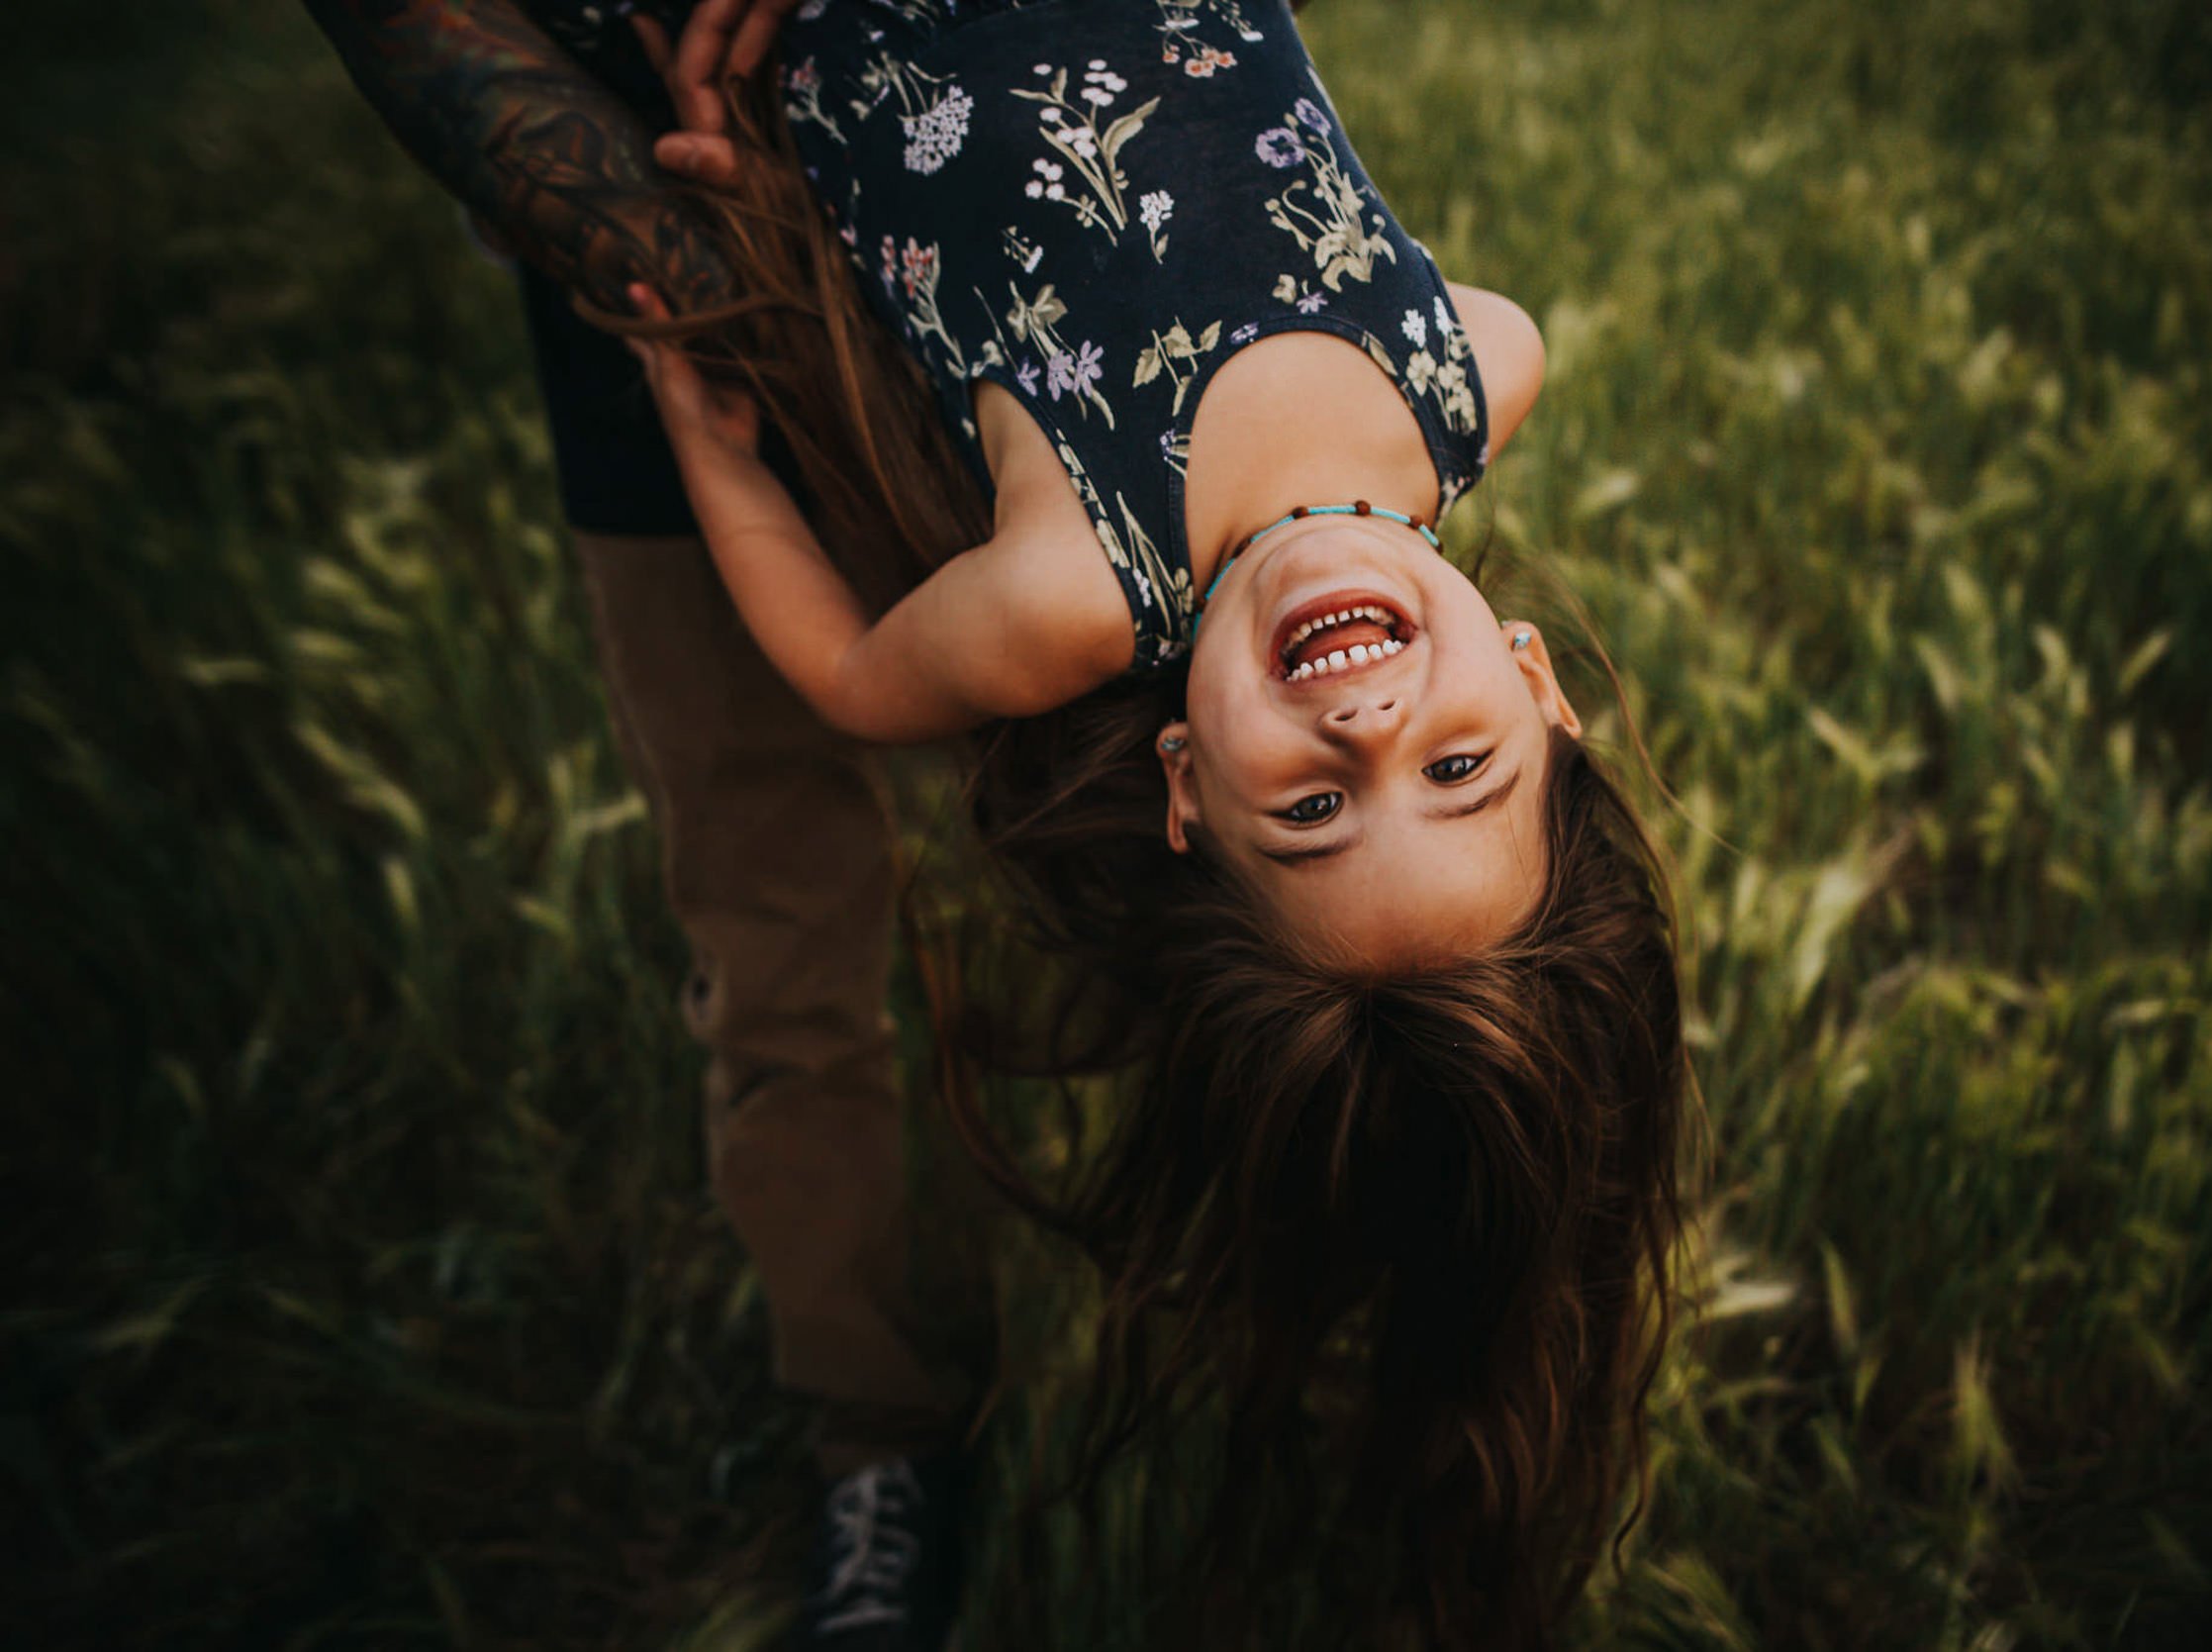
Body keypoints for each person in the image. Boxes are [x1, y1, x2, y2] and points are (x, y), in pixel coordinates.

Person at [605, 2, 1702, 1648]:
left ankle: (874, 1436)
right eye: (1461, 771)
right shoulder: (1472, 368)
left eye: (1315, 811)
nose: (1370, 726)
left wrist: (697, 421)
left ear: (1187, 781)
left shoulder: (1069, 589)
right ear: (1540, 687)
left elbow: (843, 670)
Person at [296, 5, 994, 1647]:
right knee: (772, 941)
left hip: (1022, 318)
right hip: (657, 352)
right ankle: (878, 1431)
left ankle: (1238, 1343)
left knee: (1153, 860)